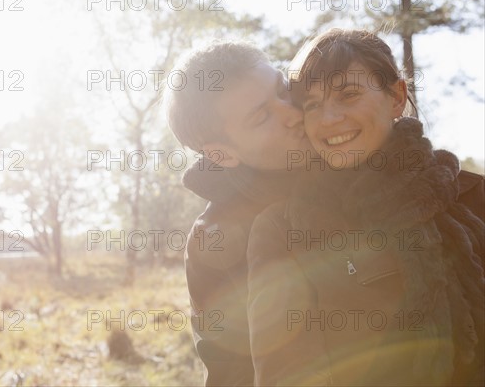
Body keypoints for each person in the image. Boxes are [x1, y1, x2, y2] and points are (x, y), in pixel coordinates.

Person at [247, 28, 485, 386]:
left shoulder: (470, 195)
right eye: (312, 104)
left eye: (349, 94)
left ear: (396, 97)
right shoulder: (282, 230)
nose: (328, 119)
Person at [164, 40, 313, 386]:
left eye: (283, 89)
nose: (293, 114)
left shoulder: (358, 157)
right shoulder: (213, 242)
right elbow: (231, 370)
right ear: (221, 154)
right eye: (262, 116)